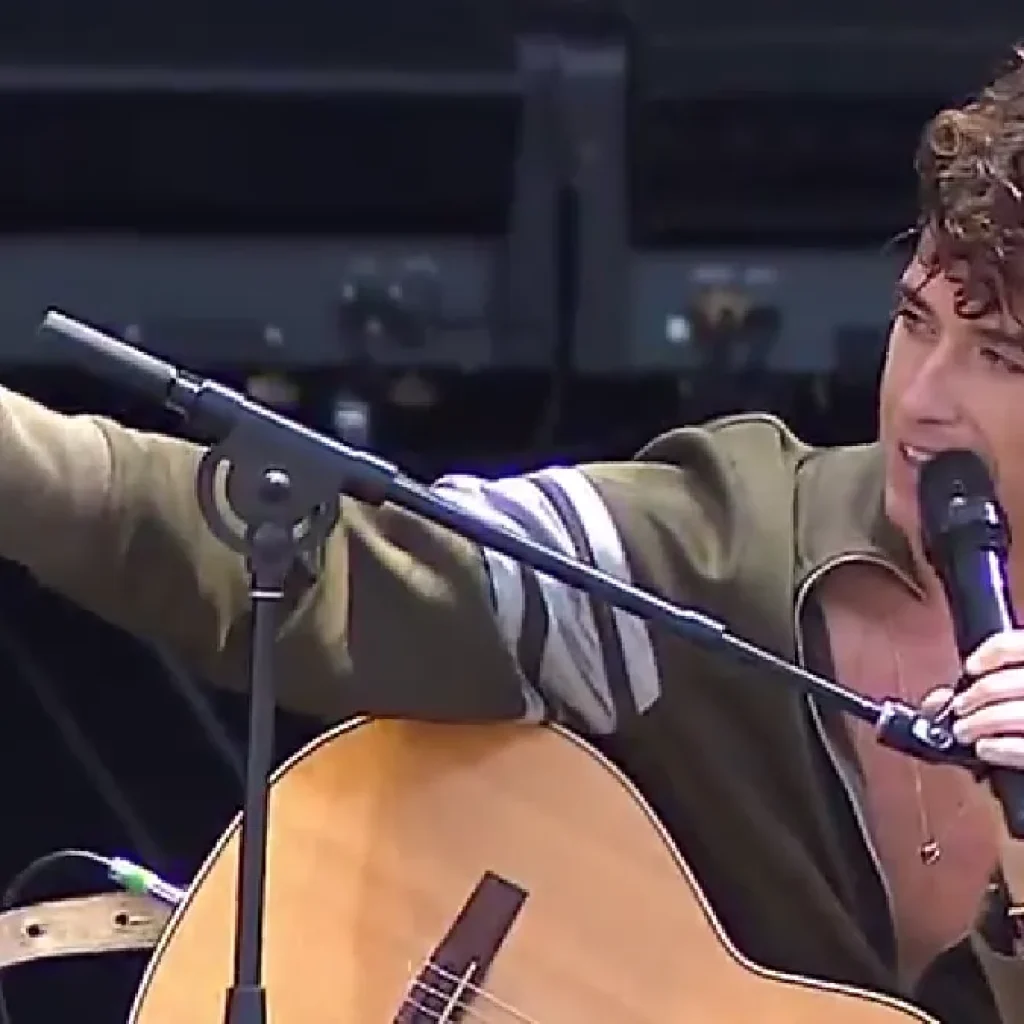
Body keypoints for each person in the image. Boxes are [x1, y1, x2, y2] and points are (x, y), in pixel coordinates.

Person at [7, 52, 1024, 1024]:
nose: (922, 400)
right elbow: (345, 564)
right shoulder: (730, 546)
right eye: (916, 322)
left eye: (997, 357)